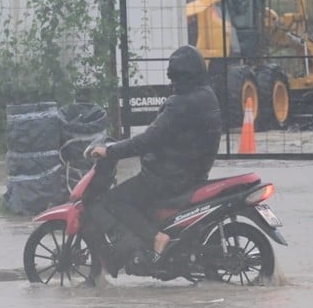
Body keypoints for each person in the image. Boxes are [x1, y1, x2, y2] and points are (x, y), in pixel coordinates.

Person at [90, 44, 222, 261]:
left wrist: (110, 151)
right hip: (191, 172)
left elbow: (148, 140)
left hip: (169, 176)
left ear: (178, 75)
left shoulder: (180, 104)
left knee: (116, 200)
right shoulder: (206, 95)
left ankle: (155, 237)